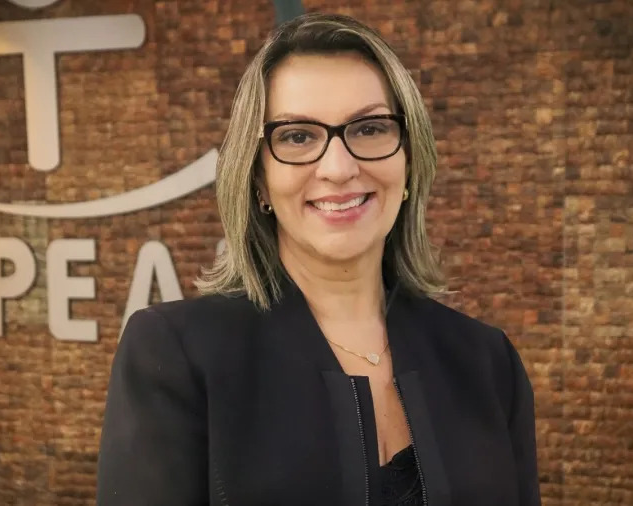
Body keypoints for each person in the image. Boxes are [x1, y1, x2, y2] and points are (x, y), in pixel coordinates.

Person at [96, 12, 541, 506]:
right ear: (259, 179)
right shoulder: (176, 356)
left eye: (369, 128)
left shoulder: (487, 362)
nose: (338, 168)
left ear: (409, 160)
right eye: (298, 136)